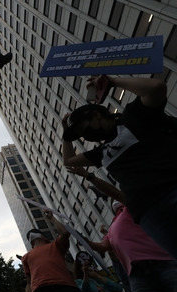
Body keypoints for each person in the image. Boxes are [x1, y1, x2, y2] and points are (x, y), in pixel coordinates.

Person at [61, 75, 177, 257]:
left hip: (171, 190)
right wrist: (65, 135)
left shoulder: (133, 117)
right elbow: (68, 160)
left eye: (84, 127)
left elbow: (156, 87)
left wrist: (112, 82)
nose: (85, 134)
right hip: (149, 213)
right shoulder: (101, 152)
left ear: (97, 115)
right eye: (80, 134)